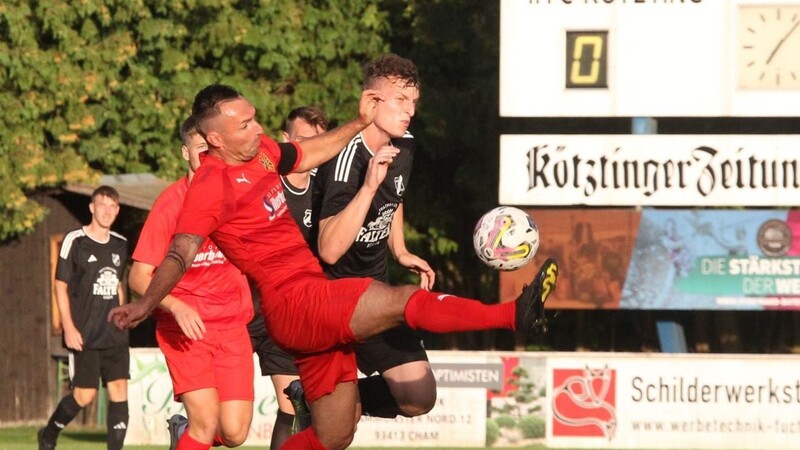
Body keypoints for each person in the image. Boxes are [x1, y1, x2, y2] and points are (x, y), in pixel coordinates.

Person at [108, 83, 558, 450]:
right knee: (400, 299)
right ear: (215, 139)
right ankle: (511, 316)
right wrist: (148, 302)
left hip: (305, 301)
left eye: (254, 117)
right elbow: (179, 253)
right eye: (244, 124)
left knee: (334, 435)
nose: (257, 127)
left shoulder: (259, 151)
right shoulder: (208, 187)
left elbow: (309, 153)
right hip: (294, 301)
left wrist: (360, 123)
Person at [313, 54, 436, 419]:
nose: (409, 111)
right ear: (371, 101)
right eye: (400, 100)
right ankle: (323, 405)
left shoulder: (406, 143)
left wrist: (399, 249)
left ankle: (321, 401)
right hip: (332, 299)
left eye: (413, 102)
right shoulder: (344, 157)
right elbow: (329, 250)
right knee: (333, 432)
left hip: (374, 290)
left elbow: (394, 195)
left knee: (419, 395)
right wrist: (367, 187)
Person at [127, 116, 255, 450]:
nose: (209, 157)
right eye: (201, 150)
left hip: (232, 327)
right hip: (186, 331)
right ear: (186, 153)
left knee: (235, 434)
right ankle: (192, 432)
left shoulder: (237, 196)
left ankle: (182, 432)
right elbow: (139, 277)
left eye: (214, 149)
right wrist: (176, 306)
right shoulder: (171, 203)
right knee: (205, 421)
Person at [246, 106, 329, 448]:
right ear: (286, 141)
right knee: (225, 422)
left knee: (292, 405)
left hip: (289, 313)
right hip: (244, 307)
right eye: (304, 140)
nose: (312, 149)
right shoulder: (264, 185)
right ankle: (187, 432)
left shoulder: (326, 192)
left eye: (319, 141)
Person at [39, 186, 129, 450]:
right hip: (84, 333)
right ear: (92, 207)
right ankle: (49, 433)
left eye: (113, 206)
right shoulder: (75, 240)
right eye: (102, 205)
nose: (107, 211)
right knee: (84, 395)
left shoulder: (120, 244)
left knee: (119, 392)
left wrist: (123, 316)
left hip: (114, 334)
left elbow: (117, 285)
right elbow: (60, 286)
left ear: (118, 210)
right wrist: (68, 327)